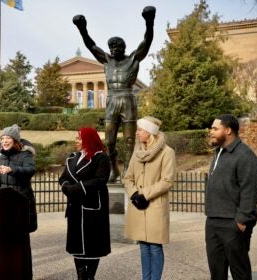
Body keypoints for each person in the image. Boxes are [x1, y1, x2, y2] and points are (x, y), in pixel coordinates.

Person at [73, 6, 155, 182]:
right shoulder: (106, 60)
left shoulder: (133, 58)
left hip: (127, 98)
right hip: (111, 100)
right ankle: (113, 169)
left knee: (130, 141)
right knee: (109, 141)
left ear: (122, 47)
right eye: (110, 46)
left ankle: (128, 168)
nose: (111, 49)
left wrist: (149, 21)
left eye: (115, 46)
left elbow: (146, 42)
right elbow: (91, 45)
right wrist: (82, 28)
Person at [0, 124, 37, 280]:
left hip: (21, 205)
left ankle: (24, 275)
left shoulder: (25, 155)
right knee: (6, 242)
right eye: (2, 138)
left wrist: (12, 169)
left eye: (7, 138)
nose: (4, 141)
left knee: (21, 243)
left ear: (15, 140)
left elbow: (30, 170)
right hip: (5, 206)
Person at [206, 114, 257, 280]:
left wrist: (242, 219)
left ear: (228, 130)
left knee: (240, 272)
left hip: (234, 223)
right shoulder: (219, 152)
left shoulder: (245, 155)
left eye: (215, 129)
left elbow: (251, 189)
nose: (211, 132)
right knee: (217, 272)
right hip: (213, 220)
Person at [124, 116, 176, 280]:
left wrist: (145, 194)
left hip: (155, 206)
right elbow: (127, 178)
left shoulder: (167, 152)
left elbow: (167, 181)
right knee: (143, 247)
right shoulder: (137, 152)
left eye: (140, 130)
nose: (137, 133)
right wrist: (134, 194)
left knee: (154, 246)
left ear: (150, 132)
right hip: (137, 205)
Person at [59, 127, 111, 280]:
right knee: (76, 243)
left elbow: (100, 180)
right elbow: (63, 178)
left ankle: (90, 276)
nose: (76, 141)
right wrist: (66, 187)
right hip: (74, 206)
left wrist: (77, 187)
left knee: (92, 244)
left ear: (89, 140)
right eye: (76, 138)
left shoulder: (100, 158)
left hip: (92, 207)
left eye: (80, 138)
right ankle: (81, 275)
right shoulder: (72, 157)